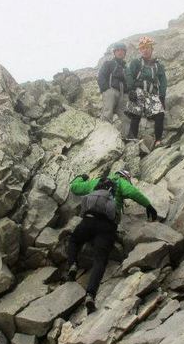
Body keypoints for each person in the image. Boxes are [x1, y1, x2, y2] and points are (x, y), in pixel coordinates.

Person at [67, 168, 158, 313]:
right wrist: (148, 205)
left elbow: (75, 188)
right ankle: (90, 295)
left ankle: (72, 264)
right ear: (125, 177)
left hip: (88, 220)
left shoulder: (96, 181)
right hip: (107, 227)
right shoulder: (121, 183)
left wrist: (81, 177)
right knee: (100, 260)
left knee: (73, 241)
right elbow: (132, 192)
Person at [125, 36, 168, 148]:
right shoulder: (136, 62)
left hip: (152, 94)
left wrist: (162, 96)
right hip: (138, 90)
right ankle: (132, 138)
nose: (145, 50)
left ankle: (158, 141)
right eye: (142, 48)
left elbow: (163, 80)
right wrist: (130, 90)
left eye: (147, 47)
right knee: (135, 114)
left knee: (160, 114)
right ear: (140, 50)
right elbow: (129, 75)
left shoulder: (158, 65)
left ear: (151, 49)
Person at [97, 42, 128, 125]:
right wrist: (106, 89)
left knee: (125, 116)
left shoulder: (126, 67)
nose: (120, 52)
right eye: (117, 50)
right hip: (111, 91)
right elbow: (101, 76)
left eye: (122, 50)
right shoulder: (108, 64)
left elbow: (128, 81)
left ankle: (126, 136)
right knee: (108, 111)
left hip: (123, 94)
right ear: (114, 52)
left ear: (125, 53)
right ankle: (104, 132)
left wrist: (128, 92)